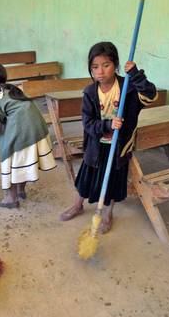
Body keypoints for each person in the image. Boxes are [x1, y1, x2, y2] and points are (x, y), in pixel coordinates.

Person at [59, 41, 157, 233]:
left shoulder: (128, 87)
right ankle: (78, 205)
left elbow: (151, 95)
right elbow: (87, 123)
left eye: (106, 65)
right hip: (96, 145)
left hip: (119, 146)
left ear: (116, 65)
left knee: (111, 181)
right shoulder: (90, 92)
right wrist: (107, 125)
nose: (100, 72)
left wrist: (135, 74)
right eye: (95, 67)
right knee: (85, 179)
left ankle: (107, 214)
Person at [0, 62, 57, 208]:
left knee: (10, 161)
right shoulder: (11, 89)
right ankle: (21, 190)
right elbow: (8, 112)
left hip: (23, 132)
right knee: (21, 162)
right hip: (37, 128)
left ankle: (11, 198)